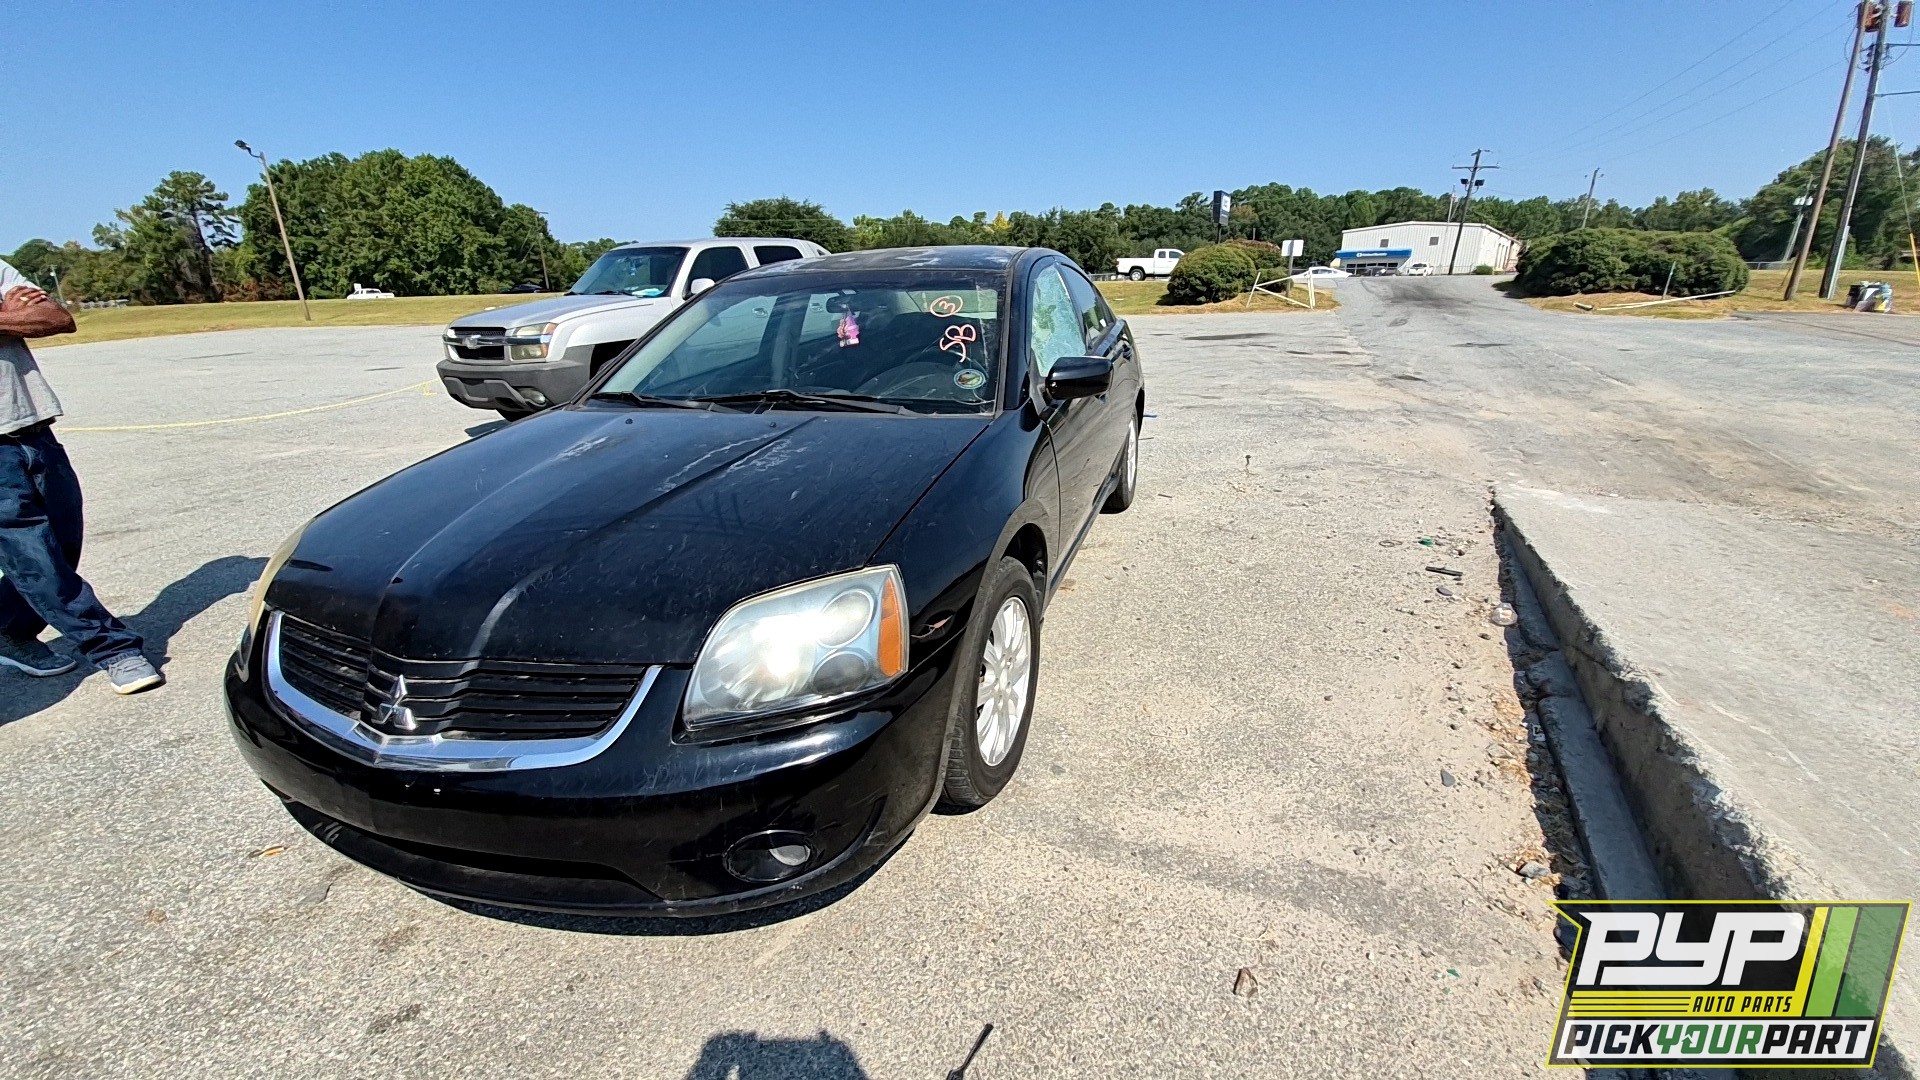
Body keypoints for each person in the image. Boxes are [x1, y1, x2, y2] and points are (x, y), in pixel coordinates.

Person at [0, 259, 163, 693]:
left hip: (33, 424)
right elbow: (23, 319)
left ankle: (8, 626)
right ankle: (111, 647)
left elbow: (56, 318)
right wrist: (8, 317)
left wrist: (21, 317)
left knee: (64, 538)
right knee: (33, 554)